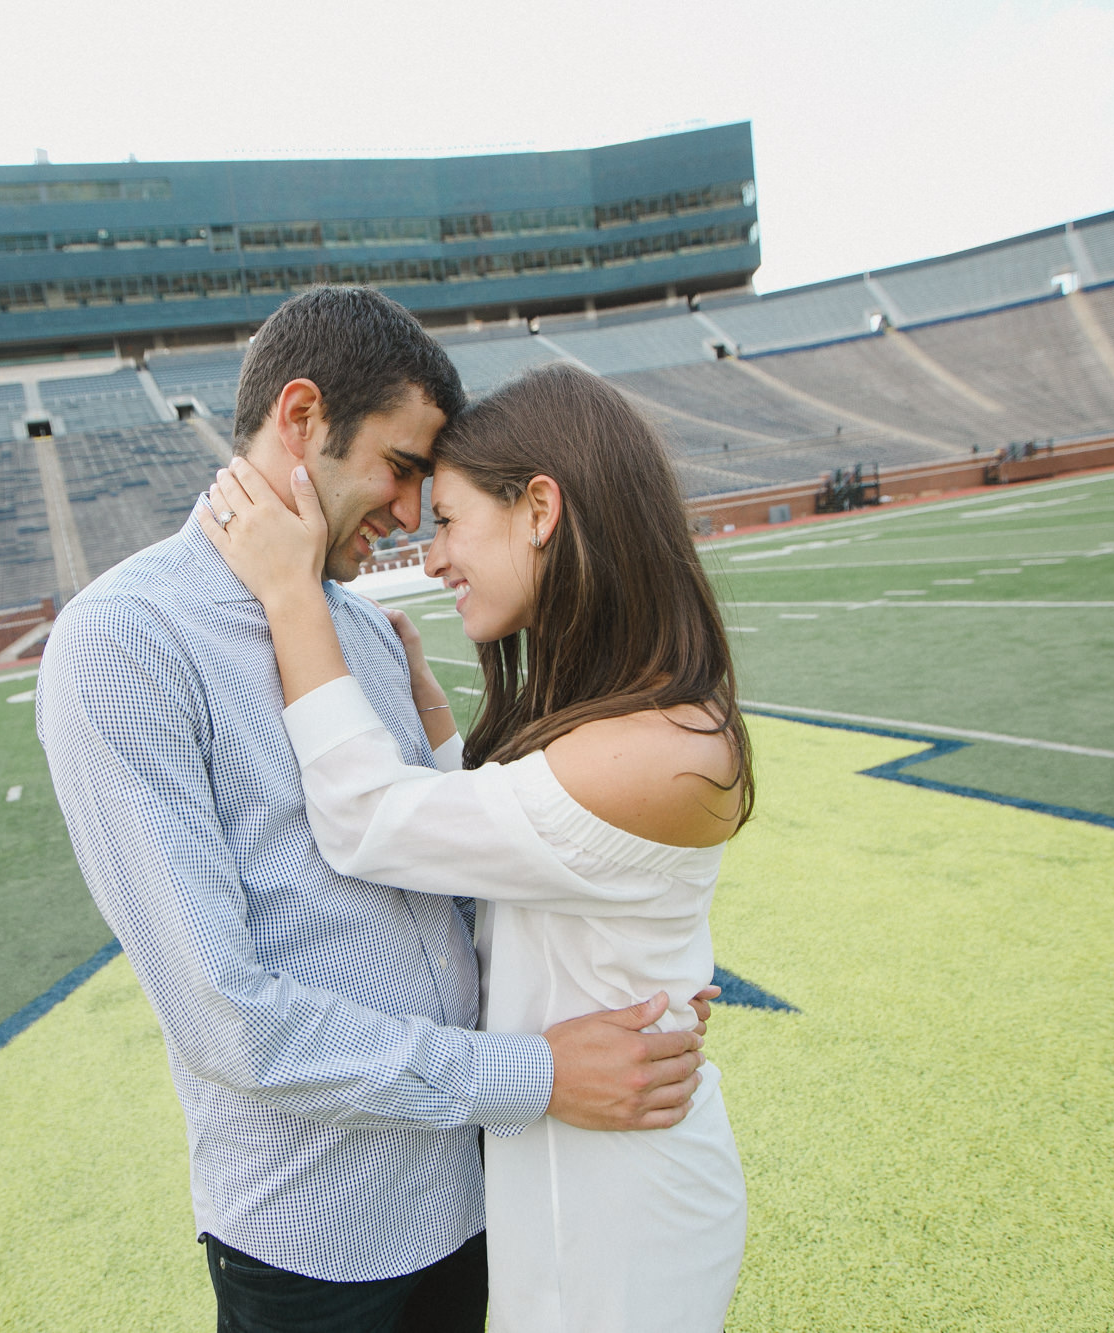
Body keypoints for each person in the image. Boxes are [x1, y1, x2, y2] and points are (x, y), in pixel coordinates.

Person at [37, 288, 715, 1333]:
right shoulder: (123, 643)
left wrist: (633, 983)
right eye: (401, 470)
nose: (410, 518)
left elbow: (447, 877)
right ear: (301, 419)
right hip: (321, 1233)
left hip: (474, 1193)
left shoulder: (352, 627)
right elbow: (231, 1019)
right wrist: (529, 1072)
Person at [197, 361, 752, 1332]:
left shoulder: (658, 750)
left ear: (538, 508)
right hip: (563, 1181)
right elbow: (507, 854)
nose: (434, 552)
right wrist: (428, 712)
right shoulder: (631, 717)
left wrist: (289, 595)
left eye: (450, 520)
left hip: (622, 1217)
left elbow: (367, 820)